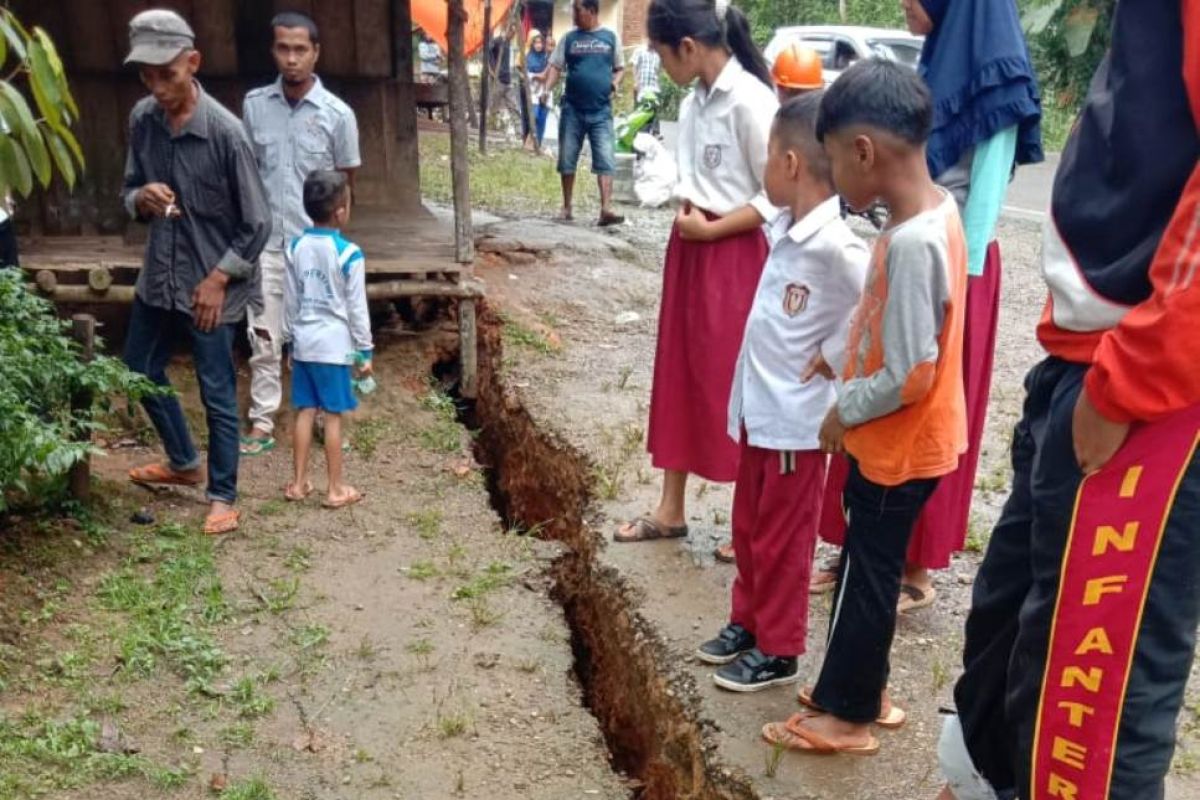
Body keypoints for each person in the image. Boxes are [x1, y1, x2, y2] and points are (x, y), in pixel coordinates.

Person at [937, 1, 1200, 797]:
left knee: (1091, 718)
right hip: (1085, 359)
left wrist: (1132, 380)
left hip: (1148, 385)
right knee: (1013, 653)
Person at [761, 59, 967, 755]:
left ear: (862, 153)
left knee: (863, 577)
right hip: (914, 442)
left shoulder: (912, 243)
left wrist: (843, 406)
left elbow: (911, 371)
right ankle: (860, 685)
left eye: (832, 161)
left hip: (896, 445)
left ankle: (848, 716)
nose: (832, 180)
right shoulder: (932, 211)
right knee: (868, 571)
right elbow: (898, 330)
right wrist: (842, 354)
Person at [813, 0, 1043, 613]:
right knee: (879, 426)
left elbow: (983, 194)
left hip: (955, 267)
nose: (905, 8)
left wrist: (951, 282)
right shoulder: (935, 60)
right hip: (916, 246)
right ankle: (859, 551)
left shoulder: (997, 70)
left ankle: (912, 568)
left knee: (918, 418)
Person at [696, 93, 869, 692]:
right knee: (747, 527)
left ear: (791, 164)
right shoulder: (782, 225)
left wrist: (839, 354)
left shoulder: (836, 246)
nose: (763, 168)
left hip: (796, 422)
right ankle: (746, 621)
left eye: (768, 155)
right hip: (760, 412)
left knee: (782, 538)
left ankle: (780, 646)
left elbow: (881, 300)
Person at [613, 0, 777, 543]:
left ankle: (743, 522)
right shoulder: (696, 100)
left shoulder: (751, 102)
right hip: (690, 249)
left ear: (688, 47)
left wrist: (715, 229)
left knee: (732, 382)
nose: (661, 67)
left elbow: (777, 198)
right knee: (680, 371)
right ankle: (671, 506)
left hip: (733, 254)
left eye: (661, 55)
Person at [119, 9, 270, 535]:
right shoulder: (143, 120)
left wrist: (218, 278)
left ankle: (223, 495)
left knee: (216, 390)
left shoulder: (227, 135)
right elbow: (128, 190)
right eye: (148, 76)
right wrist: (142, 198)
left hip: (212, 289)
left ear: (193, 62)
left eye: (168, 74)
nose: (158, 87)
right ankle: (184, 461)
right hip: (159, 276)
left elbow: (258, 223)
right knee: (138, 367)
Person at [241, 12, 361, 457]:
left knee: (322, 334)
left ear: (316, 53)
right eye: (283, 49)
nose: (291, 59)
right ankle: (263, 420)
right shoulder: (254, 106)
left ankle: (324, 415)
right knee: (265, 336)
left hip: (317, 248)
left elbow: (347, 182)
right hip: (269, 243)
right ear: (273, 51)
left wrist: (338, 245)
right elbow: (247, 174)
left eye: (300, 50)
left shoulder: (338, 115)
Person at [282, 171, 373, 510]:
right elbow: (356, 306)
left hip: (304, 342)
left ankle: (298, 482)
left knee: (305, 411)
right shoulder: (349, 253)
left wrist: (289, 341)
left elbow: (290, 300)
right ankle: (335, 488)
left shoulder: (294, 247)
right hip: (335, 346)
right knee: (333, 416)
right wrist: (364, 349)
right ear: (340, 212)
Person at [543, 0, 625, 226]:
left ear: (592, 11)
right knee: (567, 157)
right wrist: (546, 89)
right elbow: (556, 67)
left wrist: (615, 84)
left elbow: (619, 68)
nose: (573, 15)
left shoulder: (611, 37)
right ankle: (567, 207)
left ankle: (606, 209)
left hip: (601, 111)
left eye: (577, 10)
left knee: (606, 157)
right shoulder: (569, 38)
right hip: (573, 109)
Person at [526, 31, 552, 147]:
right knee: (534, 116)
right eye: (536, 43)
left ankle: (538, 145)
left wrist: (536, 76)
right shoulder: (528, 57)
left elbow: (548, 75)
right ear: (532, 44)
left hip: (545, 90)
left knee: (542, 119)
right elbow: (525, 74)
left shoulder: (547, 58)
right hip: (533, 91)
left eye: (540, 43)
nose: (538, 45)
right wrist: (536, 76)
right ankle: (529, 142)